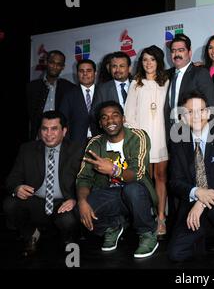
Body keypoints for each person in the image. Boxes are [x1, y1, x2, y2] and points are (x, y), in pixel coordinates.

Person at [76, 101, 158, 258]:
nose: (110, 121)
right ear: (100, 123)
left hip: (139, 193)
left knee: (132, 189)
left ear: (123, 119)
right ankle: (111, 227)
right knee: (80, 208)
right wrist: (81, 201)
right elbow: (83, 177)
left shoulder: (138, 136)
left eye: (115, 115)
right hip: (111, 195)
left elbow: (138, 173)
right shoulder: (95, 143)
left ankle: (147, 233)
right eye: (105, 118)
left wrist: (114, 170)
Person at [167, 90, 214, 262]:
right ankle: (205, 232)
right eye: (190, 112)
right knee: (175, 254)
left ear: (208, 113)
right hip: (192, 201)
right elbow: (175, 182)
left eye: (200, 110)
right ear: (183, 117)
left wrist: (202, 200)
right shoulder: (178, 143)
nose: (196, 116)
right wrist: (196, 192)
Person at [3, 111, 84, 256]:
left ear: (64, 131)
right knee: (10, 204)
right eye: (44, 129)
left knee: (68, 221)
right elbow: (11, 179)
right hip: (37, 202)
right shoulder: (27, 149)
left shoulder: (77, 150)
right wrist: (17, 187)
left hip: (63, 203)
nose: (48, 133)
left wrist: (75, 199)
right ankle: (32, 234)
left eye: (54, 129)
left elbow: (89, 181)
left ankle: (67, 240)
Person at [124, 45, 170, 239]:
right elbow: (129, 113)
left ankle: (161, 217)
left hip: (162, 137)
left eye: (152, 59)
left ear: (158, 61)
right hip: (142, 139)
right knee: (145, 179)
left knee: (160, 177)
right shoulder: (136, 83)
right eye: (145, 60)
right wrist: (136, 139)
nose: (148, 63)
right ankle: (146, 217)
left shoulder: (167, 81)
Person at [164, 33, 214, 142]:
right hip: (171, 136)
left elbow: (210, 106)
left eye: (181, 50)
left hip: (193, 134)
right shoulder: (166, 75)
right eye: (173, 51)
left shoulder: (200, 73)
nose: (176, 54)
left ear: (190, 52)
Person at [27, 50, 76, 140]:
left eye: (59, 64)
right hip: (38, 137)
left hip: (61, 138)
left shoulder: (69, 88)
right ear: (46, 62)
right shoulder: (32, 87)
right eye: (52, 63)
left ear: (63, 67)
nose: (55, 67)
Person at [60, 59, 99, 146]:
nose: (85, 74)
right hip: (76, 144)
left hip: (100, 142)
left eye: (89, 71)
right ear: (77, 74)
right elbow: (63, 121)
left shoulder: (103, 91)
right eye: (81, 71)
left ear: (95, 73)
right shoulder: (68, 95)